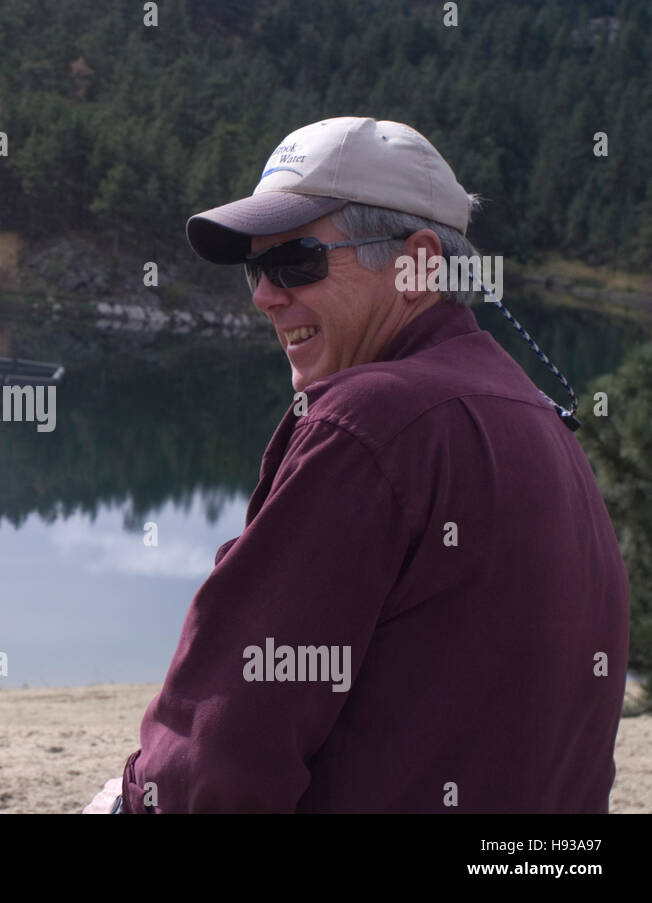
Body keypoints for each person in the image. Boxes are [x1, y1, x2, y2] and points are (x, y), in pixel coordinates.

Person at [85, 116, 629, 813]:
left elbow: (220, 754)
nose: (263, 294)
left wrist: (134, 800)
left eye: (296, 262)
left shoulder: (367, 424)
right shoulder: (542, 425)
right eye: (257, 267)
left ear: (419, 263)